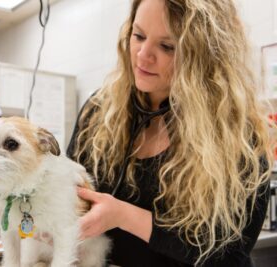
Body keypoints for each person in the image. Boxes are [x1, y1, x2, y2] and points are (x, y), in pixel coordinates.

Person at [66, 0, 273, 266]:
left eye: (167, 47)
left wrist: (124, 215)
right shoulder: (98, 111)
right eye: (138, 35)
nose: (143, 55)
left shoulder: (236, 135)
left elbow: (230, 254)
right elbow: (73, 192)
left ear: (204, 56)